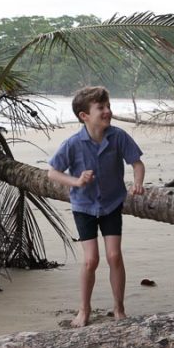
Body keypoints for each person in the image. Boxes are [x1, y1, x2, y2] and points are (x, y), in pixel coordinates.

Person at [47, 86, 145, 327]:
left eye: (108, 106)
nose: (107, 111)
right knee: (91, 260)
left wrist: (138, 183)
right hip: (84, 207)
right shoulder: (73, 144)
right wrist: (76, 181)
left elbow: (137, 163)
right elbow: (53, 173)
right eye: (100, 108)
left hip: (111, 204)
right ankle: (84, 309)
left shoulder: (118, 136)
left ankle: (119, 308)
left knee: (114, 256)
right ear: (84, 116)